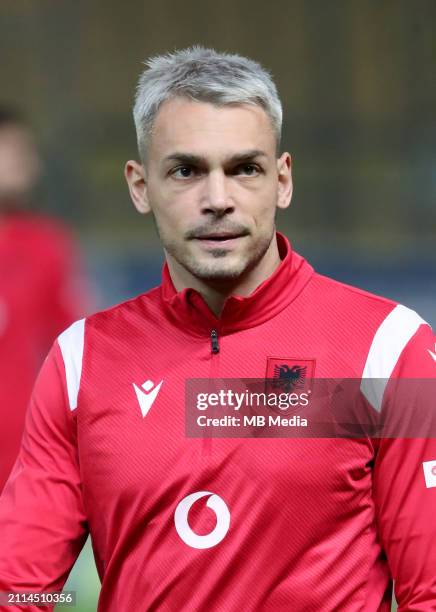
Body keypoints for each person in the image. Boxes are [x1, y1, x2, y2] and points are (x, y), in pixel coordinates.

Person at [0, 47, 435, 611]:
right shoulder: (82, 360)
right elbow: (19, 591)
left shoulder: (390, 350)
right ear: (139, 186)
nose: (218, 200)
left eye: (244, 169)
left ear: (282, 180)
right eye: (186, 171)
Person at [0, 107, 91, 493]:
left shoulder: (45, 245)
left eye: (28, 153)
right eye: (14, 151)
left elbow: (81, 350)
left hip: (19, 459)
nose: (29, 164)